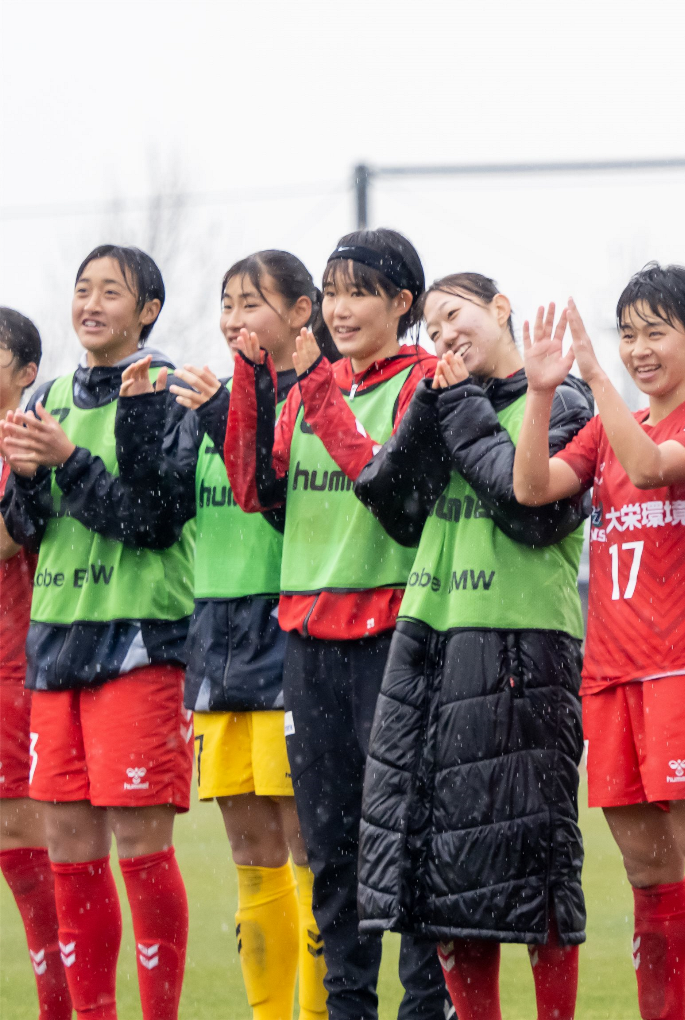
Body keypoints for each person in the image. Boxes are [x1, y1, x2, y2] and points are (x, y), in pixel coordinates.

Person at [514, 265, 685, 1020]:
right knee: (646, 875)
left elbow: (654, 469)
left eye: (656, 332)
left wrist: (594, 373)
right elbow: (531, 487)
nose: (638, 349)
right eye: (627, 334)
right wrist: (543, 392)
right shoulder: (607, 426)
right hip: (612, 674)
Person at [355, 273, 594, 1020]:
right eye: (430, 327)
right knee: (442, 872)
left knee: (536, 860)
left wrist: (453, 404)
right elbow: (391, 503)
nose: (442, 334)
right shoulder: (446, 403)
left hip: (520, 646)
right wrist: (432, 408)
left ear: (499, 309)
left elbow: (527, 512)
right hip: (430, 638)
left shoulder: (563, 400)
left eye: (453, 313)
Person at [222, 228, 447, 1020]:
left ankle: (427, 1005)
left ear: (402, 304)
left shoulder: (425, 381)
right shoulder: (305, 391)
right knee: (330, 847)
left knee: (406, 839)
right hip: (309, 644)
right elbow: (258, 493)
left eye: (360, 291)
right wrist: (255, 382)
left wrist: (314, 381)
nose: (341, 308)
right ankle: (349, 1006)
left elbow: (386, 486)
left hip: (393, 640)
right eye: (334, 291)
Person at [0, 245, 197, 1020]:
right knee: (70, 851)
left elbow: (150, 521)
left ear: (146, 309)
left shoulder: (167, 390)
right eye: (82, 289)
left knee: (142, 852)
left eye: (110, 292)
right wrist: (26, 477)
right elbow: (25, 529)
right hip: (55, 650)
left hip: (137, 646)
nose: (91, 303)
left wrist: (68, 459)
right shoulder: (47, 397)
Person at [155, 251, 332, 1020]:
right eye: (226, 303)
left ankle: (325, 1011)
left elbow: (283, 503)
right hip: (215, 643)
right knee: (249, 855)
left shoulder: (315, 401)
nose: (234, 318)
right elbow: (159, 516)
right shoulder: (208, 404)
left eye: (252, 302)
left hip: (288, 635)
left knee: (308, 851)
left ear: (301, 313)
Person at [0, 307, 73, 1020]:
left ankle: (62, 1004)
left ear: (25, 376)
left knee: (22, 835)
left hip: (14, 664)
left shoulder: (25, 442)